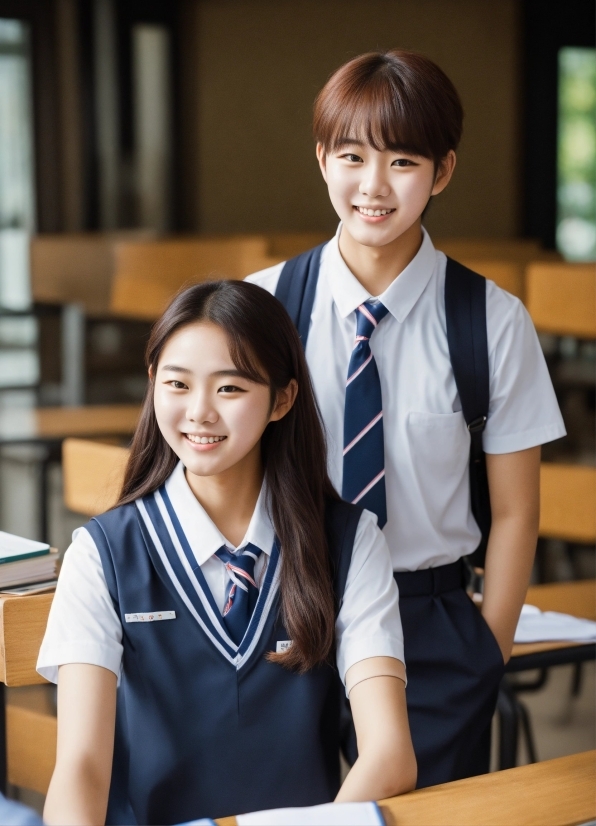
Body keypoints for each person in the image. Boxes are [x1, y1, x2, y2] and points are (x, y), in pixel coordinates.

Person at [247, 49, 566, 787]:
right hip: (289, 607)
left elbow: (517, 512)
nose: (374, 186)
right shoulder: (261, 307)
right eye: (353, 156)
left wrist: (490, 647)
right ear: (323, 159)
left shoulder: (491, 321)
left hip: (432, 623)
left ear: (442, 171)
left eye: (402, 162)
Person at [38, 280, 416, 826]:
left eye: (230, 389)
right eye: (177, 384)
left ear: (282, 399)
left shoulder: (350, 541)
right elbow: (81, 766)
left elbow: (388, 753)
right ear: (153, 385)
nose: (199, 412)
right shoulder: (102, 555)